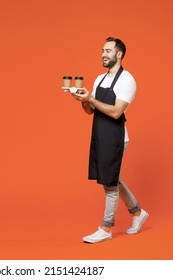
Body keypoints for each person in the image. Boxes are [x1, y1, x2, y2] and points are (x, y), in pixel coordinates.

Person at [71, 37, 148, 243]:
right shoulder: (99, 79)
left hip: (115, 137)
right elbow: (90, 110)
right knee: (111, 178)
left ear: (119, 54)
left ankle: (106, 228)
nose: (103, 54)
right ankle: (138, 212)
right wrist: (82, 99)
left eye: (108, 51)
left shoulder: (127, 80)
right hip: (100, 135)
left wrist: (90, 98)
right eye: (102, 51)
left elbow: (115, 112)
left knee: (109, 184)